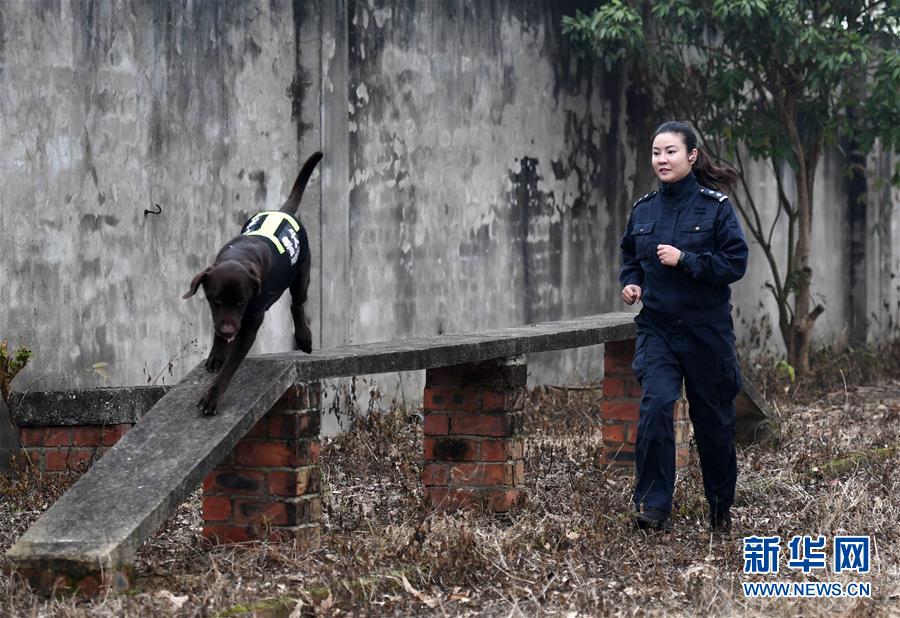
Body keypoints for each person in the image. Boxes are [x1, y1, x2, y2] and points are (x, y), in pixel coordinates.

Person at [619, 120, 749, 532]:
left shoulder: (715, 208)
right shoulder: (643, 209)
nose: (662, 159)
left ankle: (719, 507)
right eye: (657, 152)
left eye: (671, 151)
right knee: (656, 406)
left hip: (705, 330)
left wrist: (687, 259)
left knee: (713, 420)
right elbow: (630, 258)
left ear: (691, 156)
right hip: (657, 328)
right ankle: (654, 507)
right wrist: (632, 283)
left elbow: (735, 263)